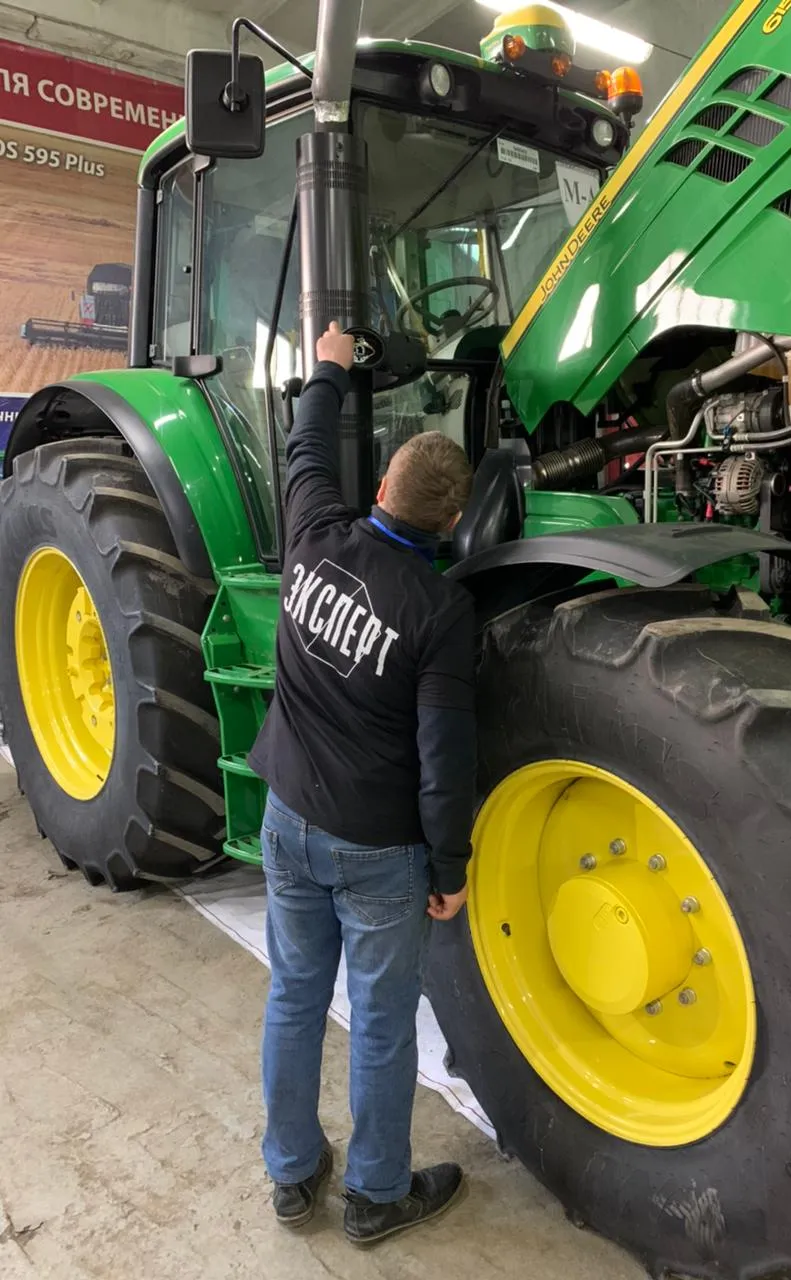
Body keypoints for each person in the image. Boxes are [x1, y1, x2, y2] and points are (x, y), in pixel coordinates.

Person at [247, 321, 477, 1246]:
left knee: (295, 996)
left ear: (381, 487)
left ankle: (292, 1174)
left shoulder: (313, 530)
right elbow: (444, 758)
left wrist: (330, 368)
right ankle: (377, 1196)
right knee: (381, 1024)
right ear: (451, 525)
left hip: (287, 817)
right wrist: (451, 868)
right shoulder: (442, 609)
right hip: (379, 851)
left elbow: (305, 446)